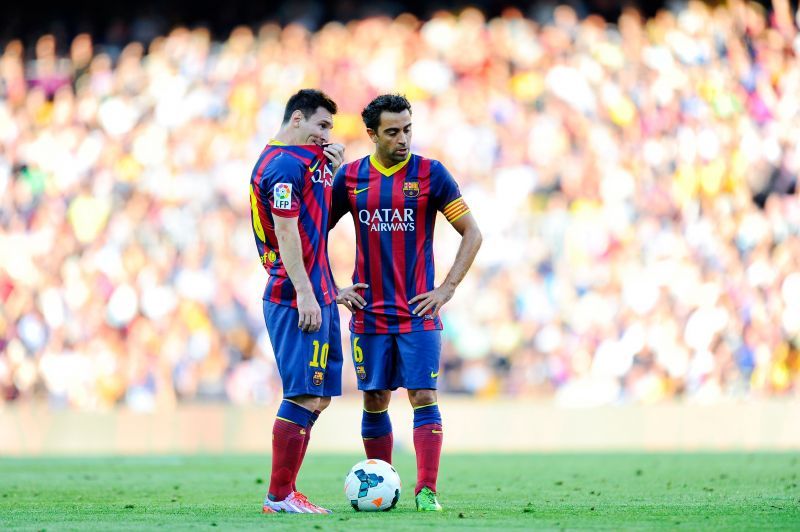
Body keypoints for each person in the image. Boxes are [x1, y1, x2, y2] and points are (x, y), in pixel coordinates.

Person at [330, 94, 483, 511]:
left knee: (423, 395)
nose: (403, 140)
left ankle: (426, 490)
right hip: (370, 314)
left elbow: (472, 232)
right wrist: (331, 287)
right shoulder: (351, 179)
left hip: (418, 313)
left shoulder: (432, 175)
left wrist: (446, 289)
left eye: (408, 129)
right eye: (393, 132)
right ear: (372, 134)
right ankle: (381, 484)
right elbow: (310, 235)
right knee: (375, 398)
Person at [249, 89, 346, 514]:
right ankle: (279, 496)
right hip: (294, 296)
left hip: (319, 291)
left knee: (319, 396)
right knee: (303, 395)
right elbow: (286, 232)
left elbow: (317, 222)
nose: (325, 136)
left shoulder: (308, 163)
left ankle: (287, 492)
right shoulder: (283, 165)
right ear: (296, 120)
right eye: (320, 126)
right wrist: (306, 292)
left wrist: (327, 288)